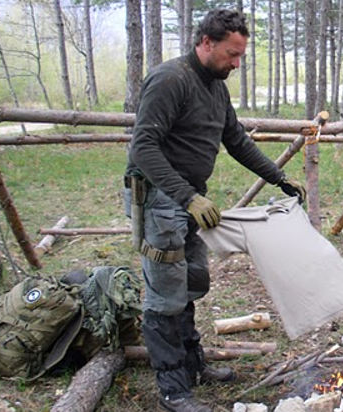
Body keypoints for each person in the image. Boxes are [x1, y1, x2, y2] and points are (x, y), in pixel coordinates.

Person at [123, 9, 305, 412]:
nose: (236, 64)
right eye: (231, 54)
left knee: (190, 283)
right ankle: (173, 390)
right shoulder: (171, 80)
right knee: (164, 295)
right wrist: (188, 197)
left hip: (189, 201)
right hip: (159, 201)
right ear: (206, 43)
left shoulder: (216, 88)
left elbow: (236, 140)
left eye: (241, 56)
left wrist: (279, 178)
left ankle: (192, 365)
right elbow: (143, 148)